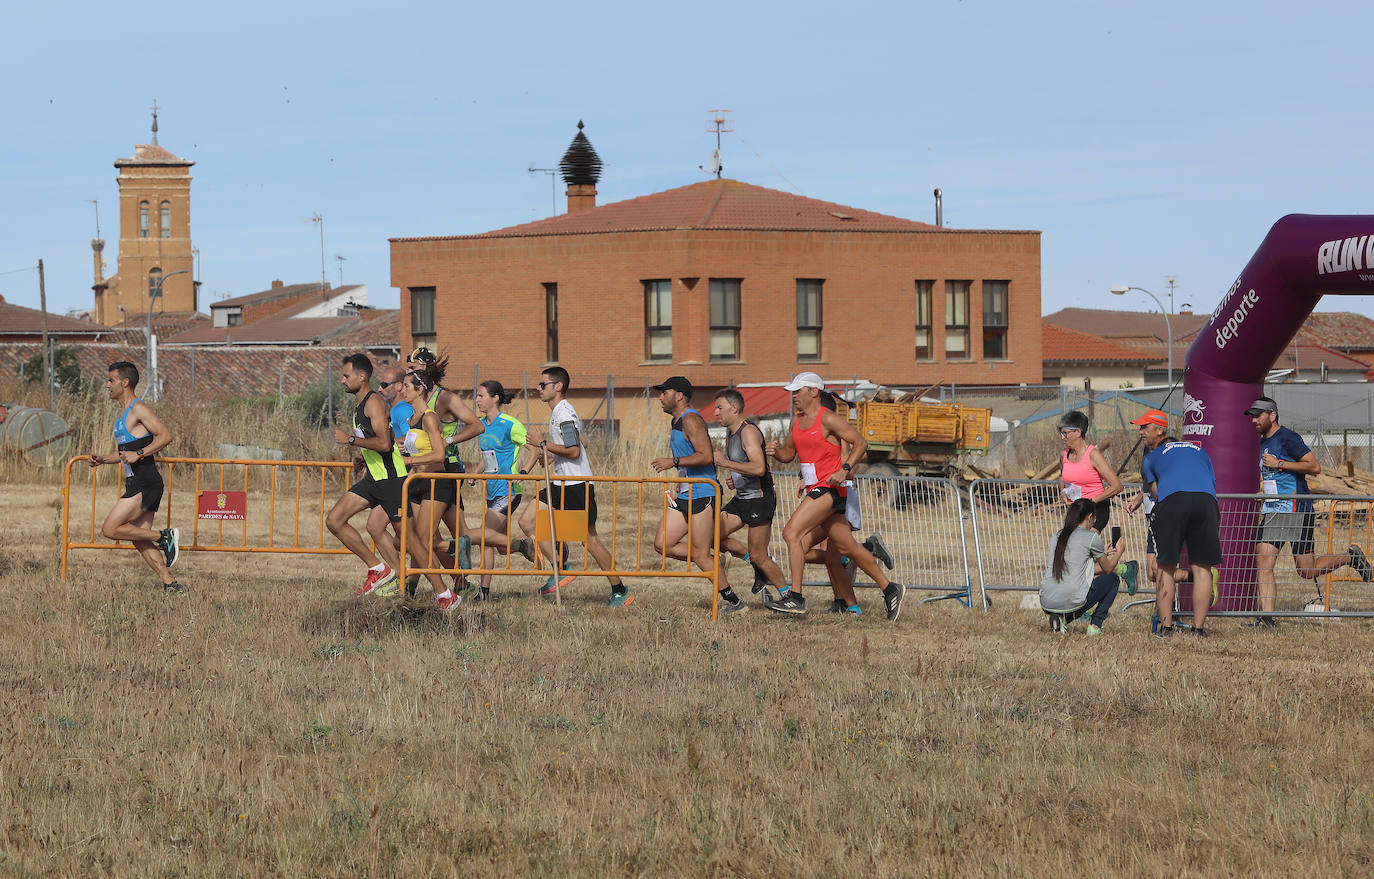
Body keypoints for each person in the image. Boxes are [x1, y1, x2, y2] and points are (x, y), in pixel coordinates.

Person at [766, 372, 904, 619]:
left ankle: (795, 598)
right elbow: (790, 453)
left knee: (791, 533)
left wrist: (845, 469)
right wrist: (776, 452)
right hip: (816, 488)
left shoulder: (827, 418)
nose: (793, 396)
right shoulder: (795, 422)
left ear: (813, 392)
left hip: (831, 489)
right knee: (846, 548)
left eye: (798, 391)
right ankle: (890, 588)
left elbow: (861, 443)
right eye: (792, 392)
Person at [1246, 395, 1371, 627]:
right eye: (1251, 416)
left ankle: (1350, 556)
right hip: (1274, 510)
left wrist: (1280, 464)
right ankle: (1267, 618)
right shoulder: (1262, 442)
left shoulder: (1288, 438)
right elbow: (1272, 475)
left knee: (1306, 570)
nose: (1253, 420)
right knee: (1264, 563)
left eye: (1258, 415)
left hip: (1296, 509)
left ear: (1272, 415)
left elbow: (1314, 466)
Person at [517, 366, 632, 606]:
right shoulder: (560, 412)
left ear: (558, 387)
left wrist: (544, 443)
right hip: (560, 484)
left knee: (589, 541)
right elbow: (582, 441)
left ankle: (620, 590)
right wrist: (550, 455)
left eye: (543, 385)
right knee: (526, 521)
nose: (538, 388)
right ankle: (561, 568)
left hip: (576, 485)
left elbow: (575, 450)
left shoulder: (564, 412)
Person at [87, 361, 182, 593]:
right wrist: (103, 460)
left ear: (125, 382)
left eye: (111, 380)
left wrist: (139, 453)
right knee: (139, 539)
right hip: (136, 481)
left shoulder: (139, 408)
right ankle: (170, 584)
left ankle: (164, 536)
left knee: (110, 529)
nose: (107, 385)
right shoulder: (121, 415)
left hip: (146, 482)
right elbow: (125, 455)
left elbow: (165, 436)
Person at [648, 377, 733, 609]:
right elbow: (692, 456)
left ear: (679, 396)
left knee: (701, 555)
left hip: (704, 491)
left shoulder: (691, 419)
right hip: (686, 492)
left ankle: (733, 601)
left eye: (664, 392)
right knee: (662, 544)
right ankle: (712, 561)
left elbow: (706, 455)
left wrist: (673, 462)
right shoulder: (676, 421)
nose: (660, 397)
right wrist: (682, 473)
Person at [326, 353, 406, 597]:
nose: (342, 380)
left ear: (362, 377)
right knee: (335, 520)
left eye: (346, 375)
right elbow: (378, 443)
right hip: (374, 478)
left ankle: (445, 591)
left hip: (392, 480)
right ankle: (379, 569)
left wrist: (351, 439)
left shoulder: (373, 403)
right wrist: (363, 456)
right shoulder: (359, 405)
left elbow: (384, 444)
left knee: (411, 543)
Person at [1138, 420, 1221, 637]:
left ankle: (1166, 628)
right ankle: (1198, 629)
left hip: (1173, 502)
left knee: (1165, 567)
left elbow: (1156, 494)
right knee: (1202, 569)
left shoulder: (1152, 456)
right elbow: (1211, 483)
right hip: (1206, 502)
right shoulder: (1201, 452)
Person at [406, 348, 484, 576]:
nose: (409, 371)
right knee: (441, 533)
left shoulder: (446, 397)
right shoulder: (417, 396)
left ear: (425, 368)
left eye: (413, 367)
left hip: (445, 468)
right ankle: (459, 581)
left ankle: (517, 544)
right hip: (424, 469)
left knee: (445, 533)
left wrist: (448, 440)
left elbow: (477, 426)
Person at [710, 388, 791, 606]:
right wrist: (735, 477)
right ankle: (756, 567)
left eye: (720, 407)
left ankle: (789, 597)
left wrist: (726, 464)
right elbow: (745, 465)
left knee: (760, 555)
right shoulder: (731, 433)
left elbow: (758, 468)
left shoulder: (748, 432)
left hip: (760, 499)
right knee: (710, 536)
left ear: (734, 408)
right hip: (741, 498)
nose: (715, 413)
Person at [397, 370, 465, 609]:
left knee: (423, 542)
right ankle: (451, 584)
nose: (401, 390)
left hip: (437, 482)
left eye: (405, 386)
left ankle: (445, 593)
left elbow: (439, 455)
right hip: (417, 482)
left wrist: (409, 462)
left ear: (419, 390)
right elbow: (416, 449)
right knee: (413, 541)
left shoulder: (429, 417)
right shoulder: (411, 419)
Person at [471, 379, 537, 601]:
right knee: (499, 546)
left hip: (508, 491)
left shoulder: (510, 424)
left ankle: (484, 593)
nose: (477, 400)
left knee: (484, 538)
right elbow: (488, 455)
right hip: (490, 490)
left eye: (481, 396)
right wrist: (477, 473)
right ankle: (527, 545)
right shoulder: (481, 425)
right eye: (476, 396)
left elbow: (534, 450)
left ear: (495, 398)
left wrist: (524, 472)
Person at [1039, 498, 1126, 634]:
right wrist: (1119, 552)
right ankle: (1095, 626)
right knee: (1112, 580)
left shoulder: (1058, 535)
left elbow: (1077, 563)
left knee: (1076, 592)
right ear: (1090, 517)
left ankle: (1061, 619)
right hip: (1072, 600)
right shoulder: (1091, 537)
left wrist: (1102, 553)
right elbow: (1108, 569)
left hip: (1046, 600)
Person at [1125, 409, 1172, 597]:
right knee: (1152, 573)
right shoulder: (1146, 450)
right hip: (1151, 513)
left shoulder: (1169, 450)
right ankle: (1167, 608)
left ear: (1159, 430)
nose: (1140, 431)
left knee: (1159, 568)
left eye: (1144, 427)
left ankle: (1200, 577)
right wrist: (1138, 499)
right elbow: (1148, 481)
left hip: (1167, 513)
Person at [1057, 410, 1123, 532]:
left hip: (1095, 510)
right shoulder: (1064, 455)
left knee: (1084, 544)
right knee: (1072, 546)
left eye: (1065, 433)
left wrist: (1090, 502)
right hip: (1075, 510)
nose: (1062, 437)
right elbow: (1062, 477)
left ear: (1078, 432)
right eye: (1061, 433)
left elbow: (1117, 486)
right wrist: (1063, 494)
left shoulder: (1093, 455)